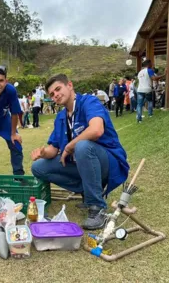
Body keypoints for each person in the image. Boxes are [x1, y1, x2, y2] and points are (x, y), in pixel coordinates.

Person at [31, 74, 129, 230]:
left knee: (82, 146)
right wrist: (43, 153)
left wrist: (70, 146)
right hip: (82, 164)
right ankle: (86, 189)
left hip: (107, 162)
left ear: (69, 85)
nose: (55, 95)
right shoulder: (61, 117)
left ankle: (97, 208)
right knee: (38, 167)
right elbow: (53, 149)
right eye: (51, 94)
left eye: (58, 89)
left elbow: (96, 130)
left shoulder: (89, 102)